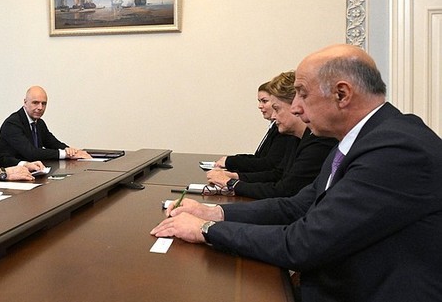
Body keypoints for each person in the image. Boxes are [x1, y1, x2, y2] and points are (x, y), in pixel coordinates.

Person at [151, 44, 442, 302]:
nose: (296, 108)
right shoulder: (361, 138)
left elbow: (304, 243)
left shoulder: (396, 149)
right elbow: (298, 206)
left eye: (302, 94)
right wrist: (213, 212)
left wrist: (205, 230)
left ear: (342, 94)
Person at [206, 72, 336, 199]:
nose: (273, 116)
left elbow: (284, 191)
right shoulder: (296, 138)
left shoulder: (320, 142)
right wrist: (236, 177)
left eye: (277, 109)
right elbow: (278, 174)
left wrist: (232, 184)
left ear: (296, 106)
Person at [213, 81, 298, 172]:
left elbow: (269, 164)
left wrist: (231, 164)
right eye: (259, 101)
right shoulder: (275, 127)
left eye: (264, 101)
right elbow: (259, 157)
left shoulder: (284, 130)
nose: (260, 106)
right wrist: (232, 161)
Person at [0, 86, 91, 161]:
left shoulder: (39, 122)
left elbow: (52, 143)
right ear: (25, 102)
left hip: (33, 170)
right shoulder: (12, 124)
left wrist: (71, 151)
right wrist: (65, 154)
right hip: (13, 173)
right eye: (35, 103)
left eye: (44, 103)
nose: (40, 107)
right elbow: (31, 153)